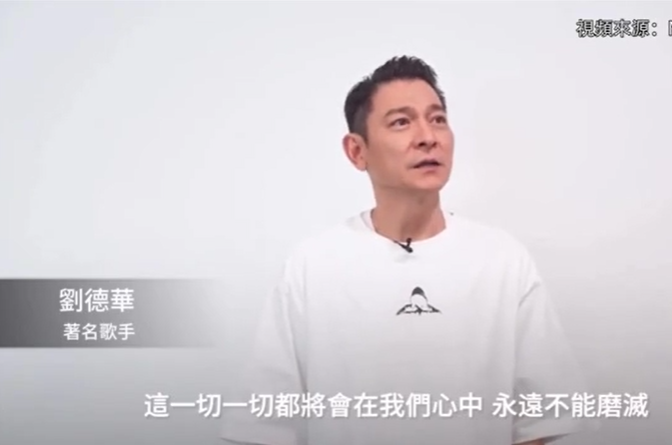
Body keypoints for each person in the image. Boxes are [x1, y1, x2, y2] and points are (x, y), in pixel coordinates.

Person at [221, 55, 596, 445]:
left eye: (438, 119)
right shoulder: (312, 265)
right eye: (401, 122)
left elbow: (544, 417)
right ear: (357, 151)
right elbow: (260, 423)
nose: (427, 136)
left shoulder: (502, 260)